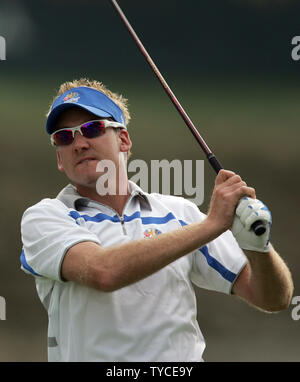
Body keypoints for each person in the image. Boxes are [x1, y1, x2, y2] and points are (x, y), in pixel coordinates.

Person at [20, 78, 293, 362]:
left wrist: (258, 248)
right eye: (64, 137)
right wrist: (212, 224)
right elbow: (104, 272)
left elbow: (274, 299)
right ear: (60, 159)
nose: (78, 143)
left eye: (92, 128)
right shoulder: (45, 217)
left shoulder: (180, 213)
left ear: (123, 140)